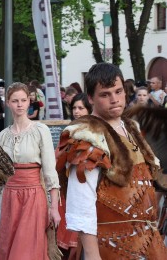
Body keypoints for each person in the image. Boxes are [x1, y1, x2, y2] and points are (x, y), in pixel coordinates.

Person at [56, 63, 167, 259]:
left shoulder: (132, 128)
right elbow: (81, 202)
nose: (115, 99)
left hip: (147, 243)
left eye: (118, 91)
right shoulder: (87, 136)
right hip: (109, 246)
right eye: (105, 94)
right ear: (91, 98)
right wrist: (92, 255)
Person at [0, 82, 60, 260]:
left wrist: (54, 208)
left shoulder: (41, 130)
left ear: (29, 102)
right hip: (10, 199)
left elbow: (50, 173)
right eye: (15, 100)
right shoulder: (3, 135)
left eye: (23, 100)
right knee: (8, 249)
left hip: (34, 197)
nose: (20, 104)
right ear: (8, 103)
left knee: (25, 252)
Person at [57, 93, 92, 259]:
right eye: (74, 108)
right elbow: (57, 156)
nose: (76, 111)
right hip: (68, 187)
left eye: (81, 108)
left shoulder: (96, 131)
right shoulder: (69, 131)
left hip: (88, 188)